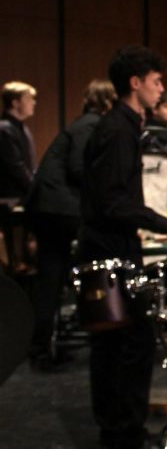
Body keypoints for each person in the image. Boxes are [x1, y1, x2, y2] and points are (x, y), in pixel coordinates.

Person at [79, 45, 167, 449]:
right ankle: (127, 435)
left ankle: (117, 434)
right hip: (111, 249)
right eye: (156, 81)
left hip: (107, 246)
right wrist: (165, 223)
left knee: (114, 346)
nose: (161, 89)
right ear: (135, 84)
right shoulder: (118, 130)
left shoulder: (120, 126)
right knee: (131, 344)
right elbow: (114, 203)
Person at [26, 79, 116, 366]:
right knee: (55, 277)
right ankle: (53, 341)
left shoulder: (83, 122)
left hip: (48, 207)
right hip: (58, 209)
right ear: (108, 102)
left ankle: (43, 344)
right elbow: (79, 169)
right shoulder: (90, 125)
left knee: (51, 279)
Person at [0, 81, 38, 201]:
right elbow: (15, 166)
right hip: (10, 198)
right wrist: (35, 187)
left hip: (22, 195)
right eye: (28, 99)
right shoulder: (4, 129)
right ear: (15, 103)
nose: (33, 102)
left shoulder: (22, 128)